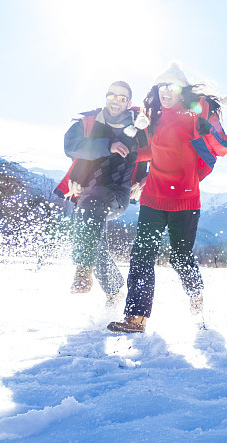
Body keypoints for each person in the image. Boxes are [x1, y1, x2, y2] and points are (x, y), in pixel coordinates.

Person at [108, 63, 227, 333]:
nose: (166, 92)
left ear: (182, 90)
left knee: (180, 257)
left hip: (186, 200)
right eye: (161, 86)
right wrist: (123, 150)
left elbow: (222, 148)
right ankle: (136, 318)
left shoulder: (193, 115)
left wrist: (207, 126)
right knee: (142, 256)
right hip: (153, 197)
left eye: (172, 87)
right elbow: (147, 151)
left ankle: (196, 293)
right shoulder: (152, 118)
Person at [55, 81, 148, 305]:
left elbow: (161, 152)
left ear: (129, 103)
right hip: (86, 193)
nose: (116, 101)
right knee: (93, 239)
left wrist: (147, 178)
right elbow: (71, 147)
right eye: (112, 96)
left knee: (90, 219)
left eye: (122, 97)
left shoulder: (141, 127)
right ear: (106, 97)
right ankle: (115, 290)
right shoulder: (88, 122)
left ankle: (83, 270)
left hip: (117, 194)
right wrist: (107, 146)